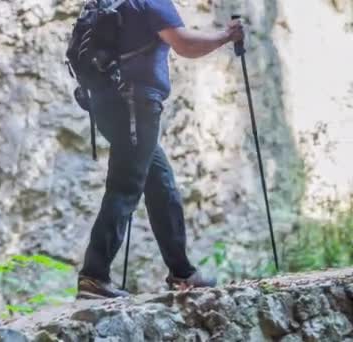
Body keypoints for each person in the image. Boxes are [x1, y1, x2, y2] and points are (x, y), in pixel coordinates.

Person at [77, 0, 244, 299]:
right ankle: (94, 275)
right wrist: (226, 36)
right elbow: (185, 44)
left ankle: (182, 271)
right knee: (125, 188)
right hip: (134, 107)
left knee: (161, 185)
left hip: (108, 104)